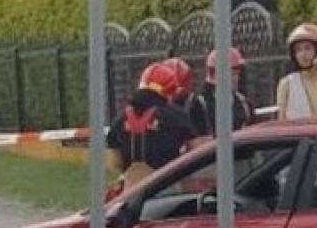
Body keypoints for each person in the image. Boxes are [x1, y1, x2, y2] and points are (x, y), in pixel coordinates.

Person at [107, 59, 196, 190]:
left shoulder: (119, 120)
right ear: (170, 91)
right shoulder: (177, 117)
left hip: (131, 192)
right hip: (167, 190)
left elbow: (115, 162)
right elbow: (196, 153)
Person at [189, 48, 254, 138]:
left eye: (237, 74)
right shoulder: (199, 105)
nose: (236, 79)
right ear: (215, 74)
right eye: (232, 74)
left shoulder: (244, 103)